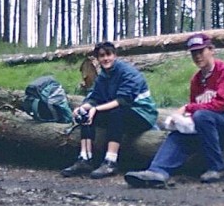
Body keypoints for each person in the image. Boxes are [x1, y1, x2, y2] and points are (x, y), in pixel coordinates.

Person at [125, 32, 224, 188]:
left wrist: (187, 108)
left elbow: (221, 104)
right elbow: (196, 109)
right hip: (208, 123)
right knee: (180, 134)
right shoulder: (196, 80)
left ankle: (217, 168)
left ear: (211, 50)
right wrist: (179, 121)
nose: (197, 56)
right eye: (194, 53)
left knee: (202, 117)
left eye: (201, 51)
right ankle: (157, 172)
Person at [61, 41, 158, 178]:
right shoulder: (103, 76)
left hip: (142, 114)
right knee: (86, 114)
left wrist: (97, 109)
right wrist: (82, 108)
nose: (105, 58)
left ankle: (110, 162)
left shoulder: (128, 72)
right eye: (101, 56)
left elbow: (122, 101)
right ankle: (85, 159)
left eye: (108, 54)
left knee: (116, 113)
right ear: (98, 59)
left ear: (115, 55)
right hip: (122, 113)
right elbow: (94, 98)